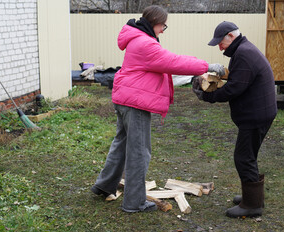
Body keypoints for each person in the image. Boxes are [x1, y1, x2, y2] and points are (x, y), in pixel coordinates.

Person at [91, 5, 225, 213]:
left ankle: (104, 185)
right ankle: (134, 202)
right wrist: (206, 66)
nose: (163, 30)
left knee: (121, 145)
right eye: (163, 25)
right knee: (139, 152)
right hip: (134, 103)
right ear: (155, 22)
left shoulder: (138, 39)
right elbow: (172, 61)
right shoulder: (145, 43)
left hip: (125, 99)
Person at [192, 21, 277, 218]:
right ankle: (254, 197)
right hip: (258, 113)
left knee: (243, 157)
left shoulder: (244, 54)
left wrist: (207, 96)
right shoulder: (244, 51)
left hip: (255, 115)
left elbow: (234, 89)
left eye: (220, 42)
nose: (219, 47)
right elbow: (238, 82)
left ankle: (252, 205)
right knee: (249, 155)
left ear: (231, 36)